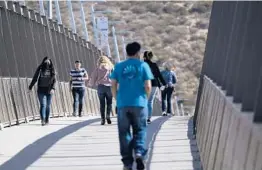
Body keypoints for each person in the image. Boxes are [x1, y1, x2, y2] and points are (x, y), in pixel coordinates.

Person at [110, 42, 154, 170]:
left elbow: (113, 84)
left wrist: (116, 97)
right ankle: (139, 153)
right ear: (138, 53)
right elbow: (148, 86)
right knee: (140, 129)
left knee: (124, 133)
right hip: (139, 103)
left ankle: (127, 163)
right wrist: (145, 98)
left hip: (123, 104)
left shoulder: (119, 66)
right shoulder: (143, 65)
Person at [29, 57, 56, 126]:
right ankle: (42, 120)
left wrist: (53, 88)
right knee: (43, 104)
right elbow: (35, 78)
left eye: (48, 62)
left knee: (47, 105)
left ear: (50, 62)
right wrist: (30, 87)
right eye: (46, 62)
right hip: (41, 89)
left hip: (49, 90)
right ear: (43, 62)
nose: (47, 63)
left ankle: (47, 119)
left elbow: (54, 81)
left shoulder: (52, 70)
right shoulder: (40, 69)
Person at [89, 56, 114, 125]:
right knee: (109, 103)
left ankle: (103, 119)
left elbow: (93, 77)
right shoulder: (110, 68)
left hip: (100, 87)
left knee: (102, 104)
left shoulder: (97, 69)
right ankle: (108, 116)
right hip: (109, 86)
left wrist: (91, 84)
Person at [143, 51, 166, 124]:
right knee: (150, 101)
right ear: (151, 57)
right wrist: (164, 83)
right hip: (154, 84)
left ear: (144, 57)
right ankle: (148, 118)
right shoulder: (154, 65)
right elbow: (159, 75)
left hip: (144, 84)